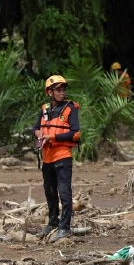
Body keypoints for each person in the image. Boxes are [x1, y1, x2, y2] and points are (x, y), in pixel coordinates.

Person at [33, 75, 80, 240]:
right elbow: (36, 127)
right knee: (50, 192)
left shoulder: (70, 108)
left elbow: (75, 133)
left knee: (64, 193)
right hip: (47, 158)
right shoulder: (45, 108)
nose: (62, 93)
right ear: (49, 92)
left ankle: (65, 228)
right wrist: (38, 134)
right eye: (58, 90)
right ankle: (52, 223)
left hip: (62, 157)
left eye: (63, 90)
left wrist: (51, 137)